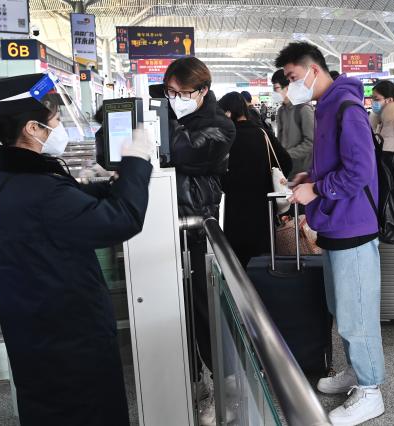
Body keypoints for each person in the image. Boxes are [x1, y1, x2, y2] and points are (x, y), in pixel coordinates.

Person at [0, 73, 154, 425]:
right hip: (67, 341)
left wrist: (113, 184)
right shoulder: (40, 191)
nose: (59, 128)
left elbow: (70, 203)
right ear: (32, 129)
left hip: (36, 332)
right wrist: (137, 162)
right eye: (54, 121)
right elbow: (122, 220)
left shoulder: (4, 179)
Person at [275, 41, 385, 426]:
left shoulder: (346, 108)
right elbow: (339, 163)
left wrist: (318, 190)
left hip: (353, 226)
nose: (290, 87)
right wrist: (311, 177)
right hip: (336, 224)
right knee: (343, 308)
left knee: (358, 315)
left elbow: (359, 171)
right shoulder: (325, 107)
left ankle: (371, 391)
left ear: (314, 71)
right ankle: (358, 372)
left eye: (292, 78)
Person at [161, 57, 236, 426]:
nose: (175, 100)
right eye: (169, 93)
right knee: (177, 313)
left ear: (203, 90)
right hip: (164, 228)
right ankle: (195, 382)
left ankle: (224, 390)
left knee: (205, 313)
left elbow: (178, 153)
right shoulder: (174, 120)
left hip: (197, 231)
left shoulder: (220, 126)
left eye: (183, 93)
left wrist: (156, 127)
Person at [217, 92, 292, 268]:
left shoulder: (226, 138)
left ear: (228, 113)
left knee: (236, 261)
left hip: (234, 209)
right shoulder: (263, 134)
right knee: (263, 260)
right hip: (263, 206)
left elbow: (216, 171)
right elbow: (286, 162)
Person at [271, 68, 316, 178]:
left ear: (288, 87)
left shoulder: (304, 109)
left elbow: (311, 142)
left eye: (276, 88)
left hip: (302, 172)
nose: (274, 93)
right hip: (286, 170)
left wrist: (287, 154)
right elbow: (280, 138)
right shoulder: (281, 111)